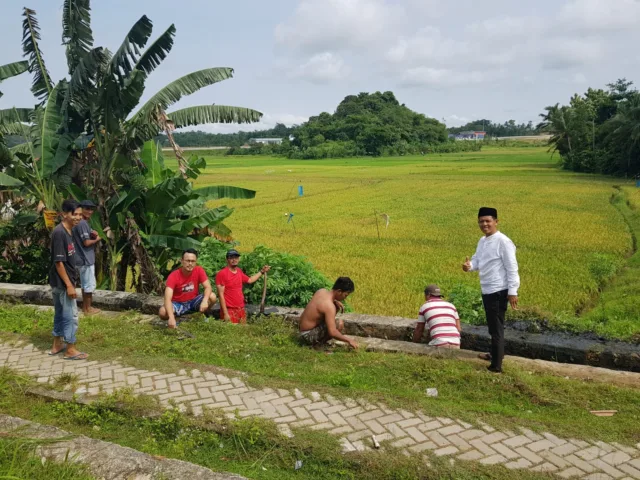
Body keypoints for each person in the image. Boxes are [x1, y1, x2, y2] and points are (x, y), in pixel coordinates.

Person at [462, 207, 520, 373]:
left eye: (488, 221)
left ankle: (496, 366)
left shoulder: (503, 241)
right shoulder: (482, 241)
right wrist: (469, 266)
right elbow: (477, 261)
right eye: (481, 221)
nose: (484, 224)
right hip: (487, 289)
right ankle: (495, 354)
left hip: (498, 290)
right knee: (493, 326)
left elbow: (512, 268)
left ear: (496, 222)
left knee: (496, 328)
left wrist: (512, 291)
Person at [49, 199, 88, 360]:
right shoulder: (60, 233)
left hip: (61, 282)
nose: (78, 217)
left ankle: (57, 344)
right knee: (71, 315)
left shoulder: (69, 230)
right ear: (64, 214)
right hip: (63, 283)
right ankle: (70, 348)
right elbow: (59, 263)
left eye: (80, 214)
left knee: (59, 313)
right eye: (75, 214)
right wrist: (69, 286)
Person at [159, 249, 217, 329]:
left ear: (196, 262)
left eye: (193, 261)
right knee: (162, 312)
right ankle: (175, 318)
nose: (190, 263)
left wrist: (204, 301)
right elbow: (167, 298)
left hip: (193, 301)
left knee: (212, 296)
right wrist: (171, 318)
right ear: (182, 261)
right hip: (178, 303)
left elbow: (208, 287)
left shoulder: (199, 270)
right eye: (188, 261)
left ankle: (201, 314)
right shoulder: (173, 276)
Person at [298, 277, 358, 349]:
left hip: (301, 330)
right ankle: (318, 345)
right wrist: (349, 340)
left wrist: (335, 301)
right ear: (339, 291)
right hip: (307, 336)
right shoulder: (329, 306)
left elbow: (321, 303)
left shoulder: (321, 291)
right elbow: (332, 332)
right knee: (339, 323)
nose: (345, 298)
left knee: (335, 311)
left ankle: (318, 343)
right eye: (345, 295)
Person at [215, 249, 270, 324]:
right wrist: (225, 314)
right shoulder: (222, 274)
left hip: (240, 309)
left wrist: (262, 271)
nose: (234, 260)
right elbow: (220, 295)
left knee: (243, 331)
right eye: (231, 257)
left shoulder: (239, 271)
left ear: (238, 259)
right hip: (229, 310)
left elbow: (250, 280)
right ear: (227, 259)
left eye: (236, 257)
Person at [72, 199, 101, 314]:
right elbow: (86, 243)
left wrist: (92, 233)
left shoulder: (78, 222)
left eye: (91, 209)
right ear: (81, 209)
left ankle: (86, 307)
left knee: (85, 284)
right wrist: (98, 239)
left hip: (79, 257)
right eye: (87, 209)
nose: (90, 211)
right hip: (85, 258)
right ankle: (87, 309)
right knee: (88, 284)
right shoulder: (83, 223)